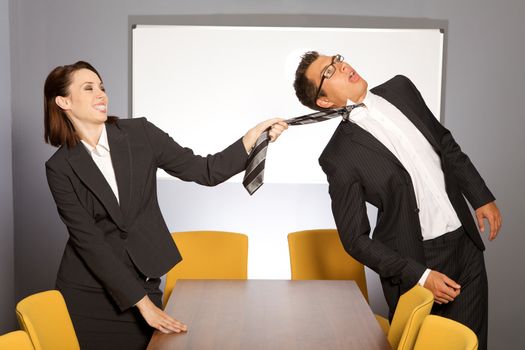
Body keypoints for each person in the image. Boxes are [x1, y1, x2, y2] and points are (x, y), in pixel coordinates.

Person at [44, 61, 288, 349]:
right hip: (88, 294)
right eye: (89, 88)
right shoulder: (59, 167)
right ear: (64, 101)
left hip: (144, 278)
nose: (101, 94)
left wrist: (249, 141)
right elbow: (89, 243)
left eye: (102, 87)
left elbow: (205, 171)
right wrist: (142, 304)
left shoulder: (140, 133)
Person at [293, 51, 501, 350]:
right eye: (329, 72)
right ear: (324, 101)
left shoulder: (400, 88)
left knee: (473, 344)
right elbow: (354, 239)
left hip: (466, 245)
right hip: (417, 262)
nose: (342, 66)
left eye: (337, 59)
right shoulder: (338, 156)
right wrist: (420, 275)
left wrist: (481, 197)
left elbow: (445, 144)